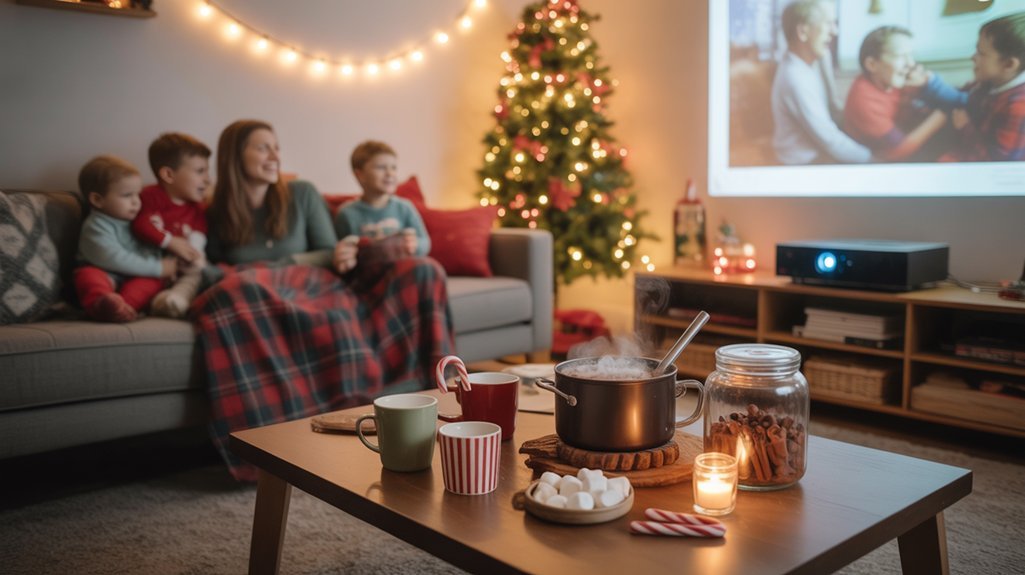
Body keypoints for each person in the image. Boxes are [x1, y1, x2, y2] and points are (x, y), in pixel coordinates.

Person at [198, 120, 455, 481]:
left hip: (310, 283)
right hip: (260, 290)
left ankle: (428, 402)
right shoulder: (217, 211)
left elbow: (327, 253)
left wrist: (275, 266)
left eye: (276, 146)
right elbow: (214, 268)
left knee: (423, 270)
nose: (275, 155)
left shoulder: (301, 193)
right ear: (234, 156)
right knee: (236, 291)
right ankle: (268, 439)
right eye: (262, 147)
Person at [74, 155, 177, 323]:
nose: (136, 202)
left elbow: (150, 248)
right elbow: (112, 257)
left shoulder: (138, 221)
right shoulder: (96, 225)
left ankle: (124, 307)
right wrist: (158, 268)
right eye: (127, 195)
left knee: (152, 282)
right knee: (87, 276)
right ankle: (102, 304)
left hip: (135, 278)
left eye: (138, 194)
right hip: (106, 275)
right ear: (97, 200)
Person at [771, 0, 873, 164]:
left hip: (822, 151)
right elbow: (831, 142)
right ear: (802, 32)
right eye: (828, 23)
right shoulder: (795, 78)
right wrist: (874, 160)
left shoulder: (817, 59)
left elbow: (833, 107)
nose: (835, 31)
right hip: (803, 163)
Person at [133, 132, 212, 318]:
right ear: (168, 174)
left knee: (197, 274)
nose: (208, 179)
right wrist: (170, 242)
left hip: (184, 268)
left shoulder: (197, 207)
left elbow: (200, 231)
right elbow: (142, 224)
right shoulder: (150, 196)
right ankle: (126, 307)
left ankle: (175, 301)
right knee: (138, 289)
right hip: (154, 266)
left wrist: (193, 251)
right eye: (200, 171)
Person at [843, 26, 948, 161]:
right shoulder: (865, 100)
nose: (910, 63)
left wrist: (925, 84)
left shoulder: (890, 79)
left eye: (910, 55)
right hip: (883, 161)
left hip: (905, 133)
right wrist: (940, 117)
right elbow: (899, 150)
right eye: (900, 56)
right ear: (872, 64)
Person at [939, 12, 1025, 162]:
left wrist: (965, 127)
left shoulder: (1019, 106)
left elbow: (998, 162)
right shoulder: (989, 82)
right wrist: (927, 85)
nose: (973, 57)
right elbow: (960, 95)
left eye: (981, 53)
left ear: (1009, 64)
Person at [333, 140, 431, 259]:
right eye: (381, 167)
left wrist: (415, 245)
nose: (390, 173)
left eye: (394, 168)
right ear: (360, 175)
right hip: (367, 266)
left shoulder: (405, 207)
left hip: (402, 264)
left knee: (428, 265)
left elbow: (425, 241)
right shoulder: (346, 213)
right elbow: (337, 249)